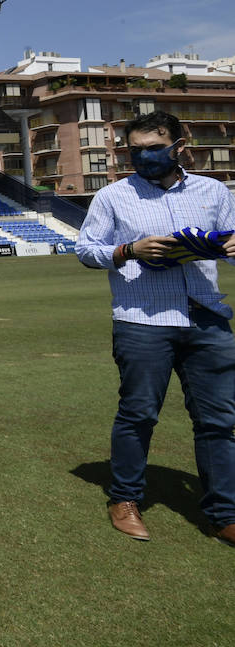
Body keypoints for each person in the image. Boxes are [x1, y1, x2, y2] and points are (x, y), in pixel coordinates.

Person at [76, 111, 235, 546]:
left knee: (219, 420)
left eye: (153, 148)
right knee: (138, 414)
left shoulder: (214, 191)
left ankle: (225, 513)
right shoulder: (112, 196)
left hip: (207, 317)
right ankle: (124, 498)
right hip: (142, 319)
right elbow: (86, 249)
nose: (144, 156)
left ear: (179, 146)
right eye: (135, 150)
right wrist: (129, 249)